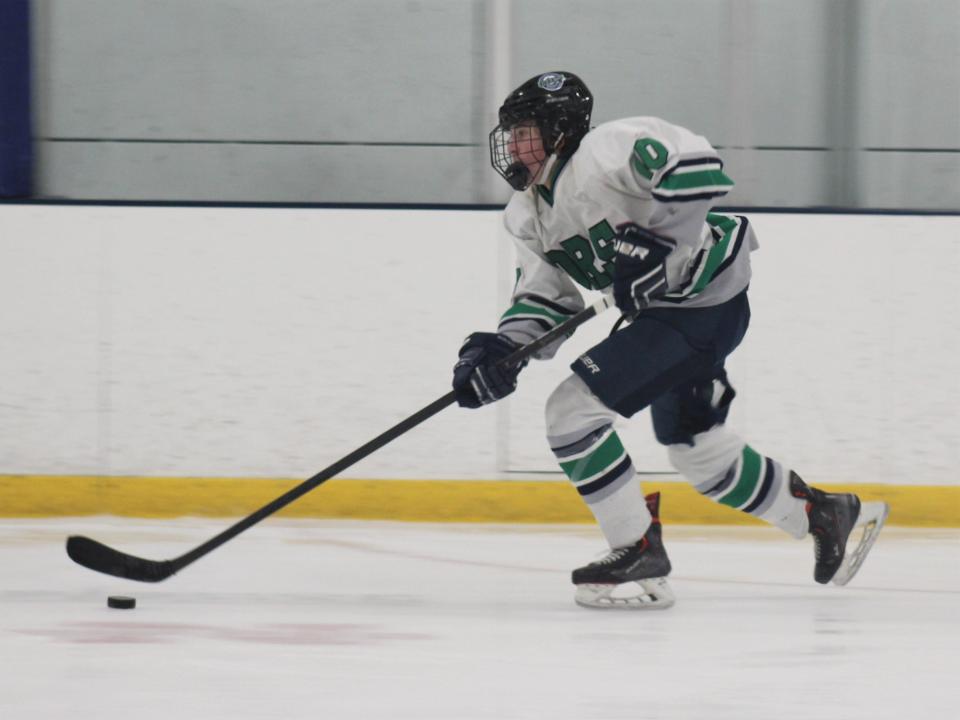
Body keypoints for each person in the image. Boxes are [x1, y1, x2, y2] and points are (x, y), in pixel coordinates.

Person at [452, 71, 889, 609]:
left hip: (702, 305)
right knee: (699, 452)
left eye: (527, 132)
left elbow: (696, 163)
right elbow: (546, 297)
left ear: (562, 130)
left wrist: (657, 240)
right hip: (667, 318)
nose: (515, 146)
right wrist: (500, 352)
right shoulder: (525, 214)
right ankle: (823, 513)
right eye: (511, 134)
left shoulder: (605, 151)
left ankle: (637, 553)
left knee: (571, 413)